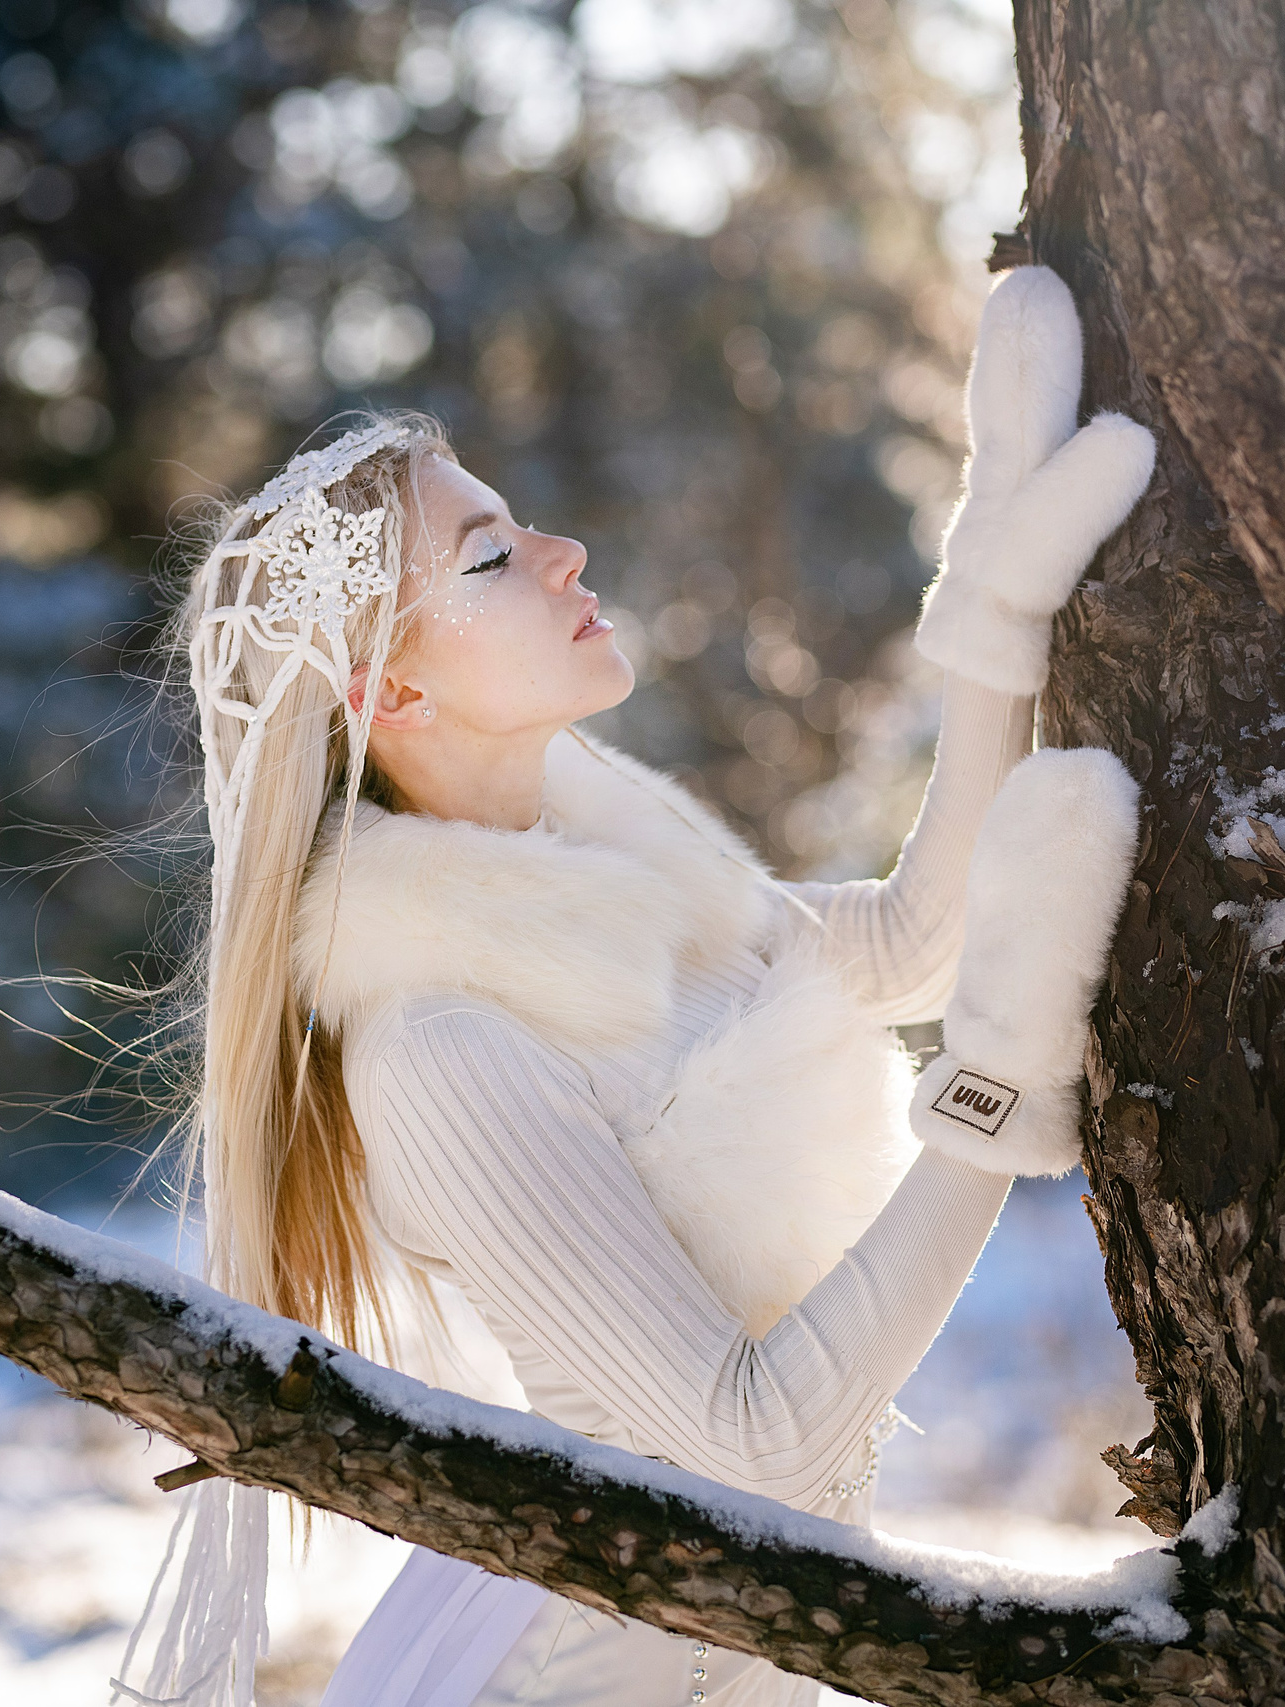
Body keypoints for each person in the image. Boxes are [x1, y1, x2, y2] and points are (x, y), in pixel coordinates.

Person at [109, 266, 1158, 1707]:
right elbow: (763, 1447)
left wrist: (991, 609)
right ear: (390, 698)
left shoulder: (620, 881)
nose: (563, 551)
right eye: (486, 558)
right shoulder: (442, 1045)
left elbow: (914, 941)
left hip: (758, 1639)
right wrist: (990, 1085)